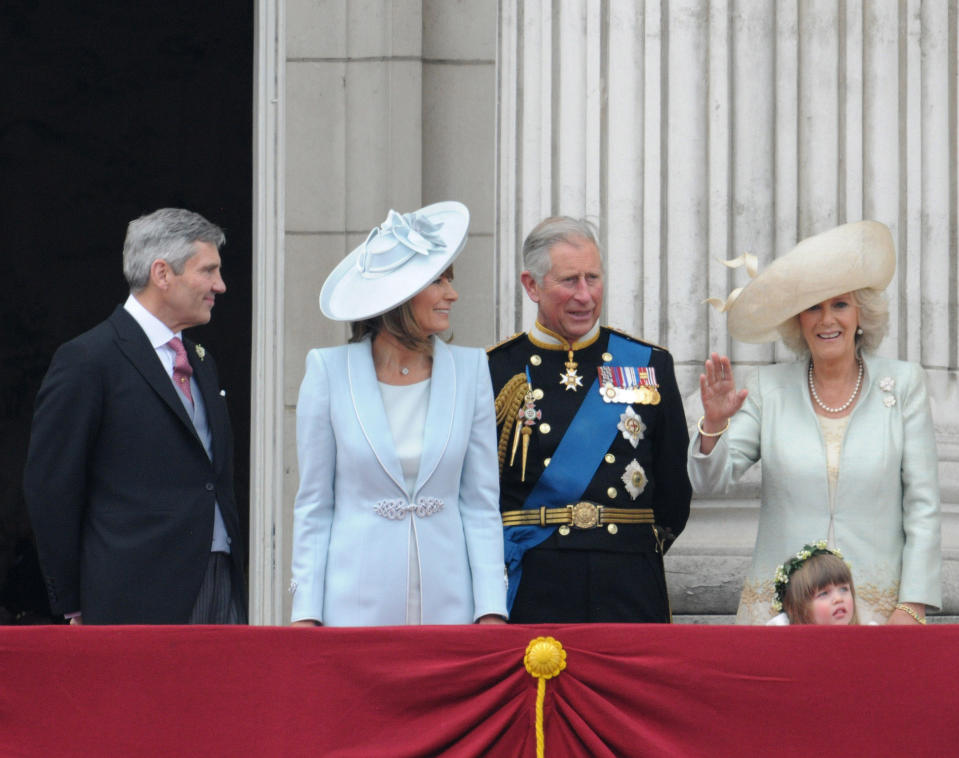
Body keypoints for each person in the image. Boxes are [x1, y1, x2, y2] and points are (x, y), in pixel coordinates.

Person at [689, 220, 940, 625]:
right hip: (782, 617)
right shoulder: (768, 388)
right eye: (813, 307)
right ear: (797, 320)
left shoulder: (905, 384)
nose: (827, 320)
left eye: (839, 304)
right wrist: (715, 425)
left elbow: (924, 506)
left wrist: (912, 606)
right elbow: (709, 484)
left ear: (861, 313)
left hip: (878, 615)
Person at [289, 201, 507, 626]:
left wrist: (491, 609)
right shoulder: (327, 371)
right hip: (354, 608)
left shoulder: (471, 369)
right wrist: (306, 614)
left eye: (450, 280)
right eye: (439, 281)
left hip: (451, 608)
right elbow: (315, 505)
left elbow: (481, 503)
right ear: (402, 295)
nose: (453, 294)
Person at [24, 208, 246, 624]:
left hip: (219, 583)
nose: (220, 285)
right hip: (134, 595)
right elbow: (51, 487)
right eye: (208, 270)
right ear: (162, 274)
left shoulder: (203, 361)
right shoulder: (88, 360)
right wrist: (72, 600)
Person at [487, 216, 691, 623]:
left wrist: (628, 549)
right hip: (535, 577)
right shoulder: (495, 371)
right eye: (569, 281)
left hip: (628, 576)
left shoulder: (649, 364)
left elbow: (673, 494)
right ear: (532, 285)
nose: (585, 295)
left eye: (593, 278)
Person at [766, 542, 861, 626]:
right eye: (824, 593)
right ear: (798, 610)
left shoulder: (865, 640)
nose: (839, 599)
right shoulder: (786, 643)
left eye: (844, 589)